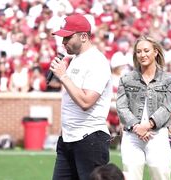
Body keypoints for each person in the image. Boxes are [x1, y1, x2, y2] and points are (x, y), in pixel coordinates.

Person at [50, 13, 113, 180]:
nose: (63, 42)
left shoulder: (97, 61)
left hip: (89, 139)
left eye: (67, 37)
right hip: (69, 138)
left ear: (84, 36)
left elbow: (86, 101)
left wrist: (63, 76)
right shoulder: (77, 59)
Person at [116, 36, 171, 180]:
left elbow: (167, 107)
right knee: (131, 176)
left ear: (155, 52)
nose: (142, 55)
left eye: (146, 50)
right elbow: (121, 107)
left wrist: (148, 125)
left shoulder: (169, 79)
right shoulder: (126, 79)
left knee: (161, 176)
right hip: (132, 135)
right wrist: (137, 126)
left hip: (158, 135)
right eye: (138, 52)